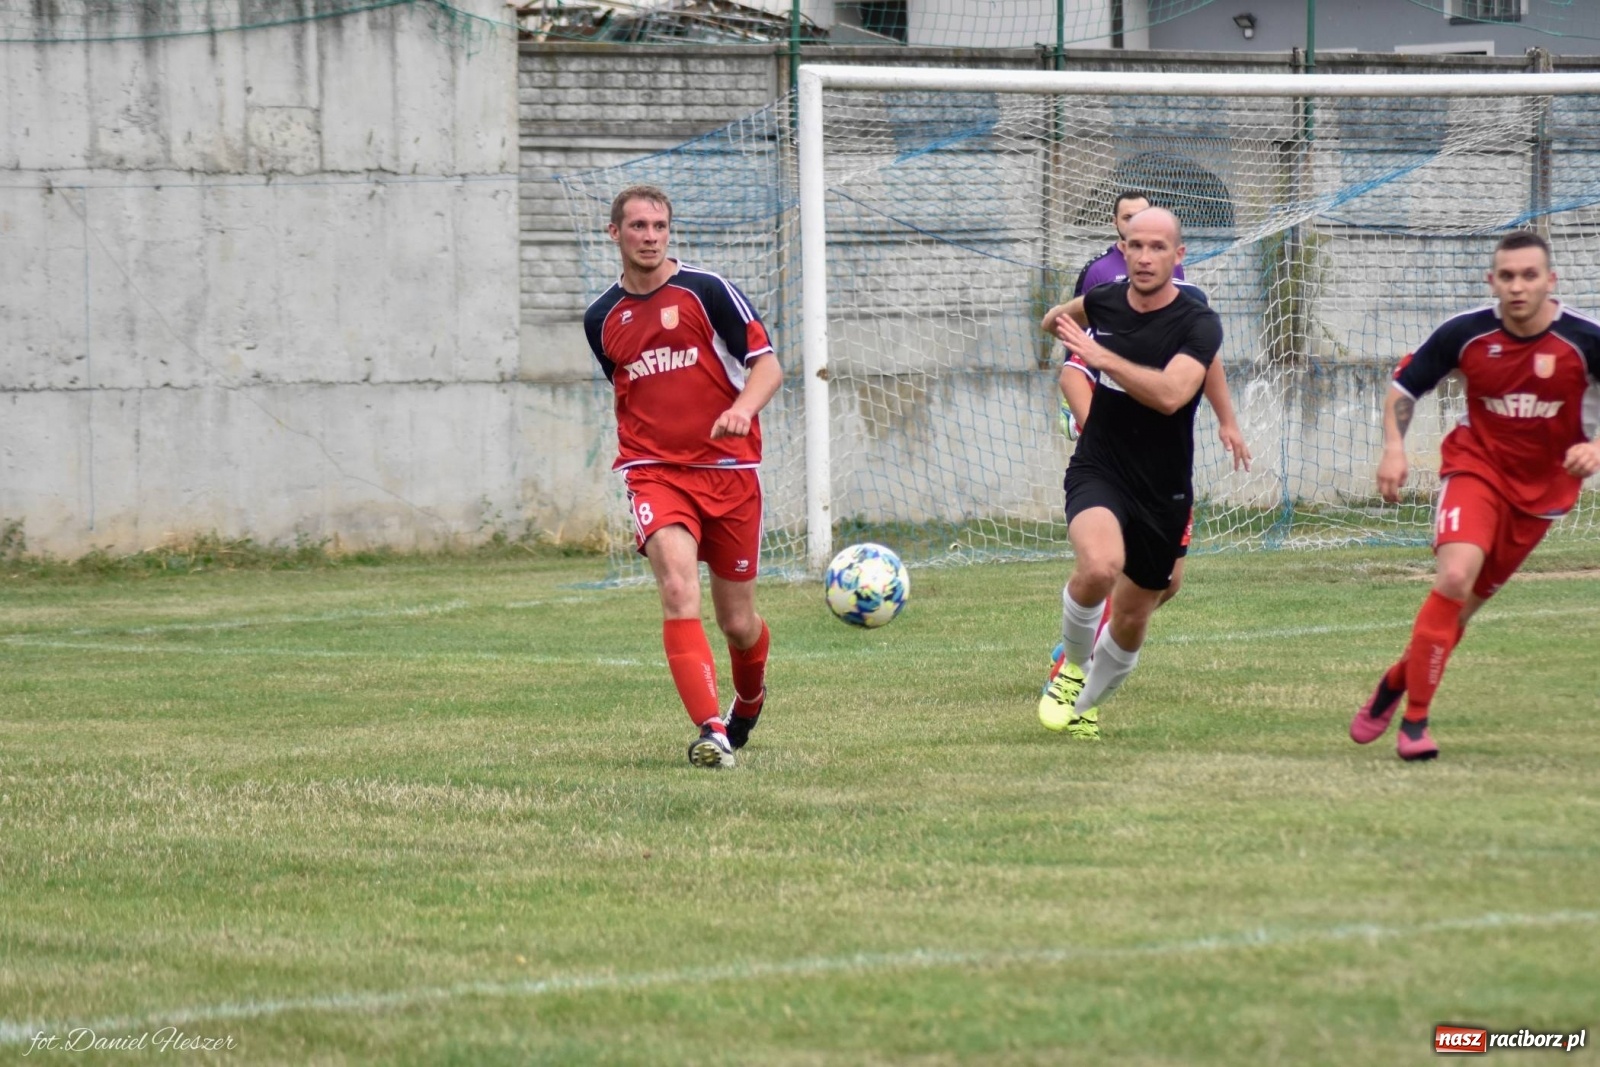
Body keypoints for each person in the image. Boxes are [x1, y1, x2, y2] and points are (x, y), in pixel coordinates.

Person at [1350, 231, 1600, 761]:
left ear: (1551, 281)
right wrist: (1393, 448)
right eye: (1507, 276)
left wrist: (1596, 447)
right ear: (1492, 281)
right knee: (1455, 577)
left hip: (1542, 496)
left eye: (1529, 276)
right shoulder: (1465, 333)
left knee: (1458, 615)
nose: (1517, 286)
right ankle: (1415, 724)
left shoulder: (1585, 340)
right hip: (1475, 470)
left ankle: (1394, 684)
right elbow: (1405, 386)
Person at [583, 184, 783, 769]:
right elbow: (631, 392)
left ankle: (749, 699)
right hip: (654, 472)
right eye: (638, 226)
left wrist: (742, 409)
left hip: (729, 472)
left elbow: (767, 366)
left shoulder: (707, 290)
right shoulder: (600, 318)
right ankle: (712, 731)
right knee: (676, 590)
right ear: (615, 233)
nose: (650, 237)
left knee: (738, 623)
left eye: (659, 226)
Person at [1034, 207, 1224, 739]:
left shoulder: (1198, 322)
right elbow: (1056, 319)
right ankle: (1071, 669)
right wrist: (1062, 327)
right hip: (1100, 466)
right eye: (1135, 246)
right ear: (1122, 249)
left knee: (1136, 613)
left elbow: (1171, 395)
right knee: (1100, 566)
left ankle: (1087, 703)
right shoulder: (1105, 299)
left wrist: (1103, 356)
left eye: (1157, 247)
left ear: (1178, 255)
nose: (1144, 257)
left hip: (1162, 486)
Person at [1059, 191, 1186, 441]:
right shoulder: (1097, 270)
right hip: (1108, 388)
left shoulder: (1172, 265)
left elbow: (1180, 323)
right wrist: (1074, 390)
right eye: (1128, 217)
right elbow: (1078, 333)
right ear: (1114, 221)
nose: (1136, 223)